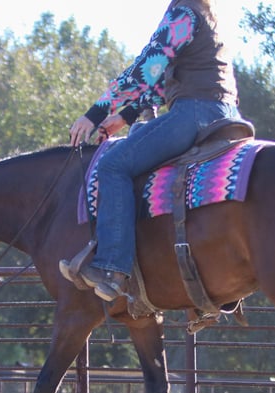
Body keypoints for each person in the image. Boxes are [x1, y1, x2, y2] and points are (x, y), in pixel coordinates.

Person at [60, 0, 241, 302]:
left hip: (194, 113)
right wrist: (125, 116)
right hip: (225, 114)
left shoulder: (184, 13)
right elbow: (163, 81)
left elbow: (146, 68)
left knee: (113, 165)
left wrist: (94, 114)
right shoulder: (207, 14)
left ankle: (112, 268)